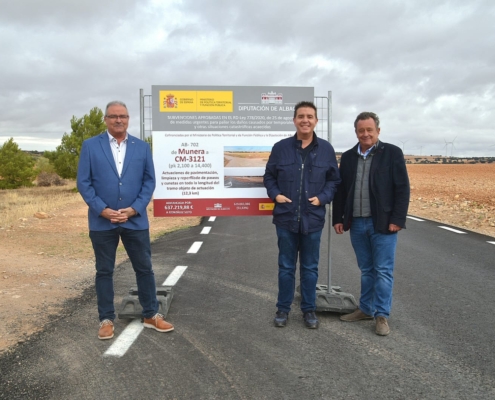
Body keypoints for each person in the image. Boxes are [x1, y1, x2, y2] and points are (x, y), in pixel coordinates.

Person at [77, 100, 174, 340]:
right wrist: (103, 210)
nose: (118, 120)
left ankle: (151, 314)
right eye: (113, 116)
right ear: (106, 119)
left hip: (135, 220)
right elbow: (84, 183)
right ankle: (106, 319)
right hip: (103, 222)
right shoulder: (90, 146)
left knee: (144, 268)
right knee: (104, 271)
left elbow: (149, 181)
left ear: (128, 119)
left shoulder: (142, 147)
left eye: (123, 116)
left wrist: (135, 209)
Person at [263, 101, 340, 329]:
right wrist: (275, 194)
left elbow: (334, 180)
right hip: (286, 218)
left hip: (313, 219)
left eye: (309, 116)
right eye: (301, 116)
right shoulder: (281, 148)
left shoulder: (326, 149)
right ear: (294, 120)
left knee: (310, 267)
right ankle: (283, 309)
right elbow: (269, 176)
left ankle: (309, 310)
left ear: (316, 120)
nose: (305, 120)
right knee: (286, 266)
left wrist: (323, 198)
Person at [332, 112, 410, 336]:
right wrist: (339, 218)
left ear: (378, 130)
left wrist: (397, 219)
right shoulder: (347, 157)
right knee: (367, 270)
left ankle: (382, 315)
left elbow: (402, 188)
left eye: (369, 130)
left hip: (384, 225)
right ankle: (365, 309)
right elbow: (341, 191)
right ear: (356, 132)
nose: (365, 134)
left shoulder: (392, 153)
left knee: (383, 271)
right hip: (356, 223)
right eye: (361, 130)